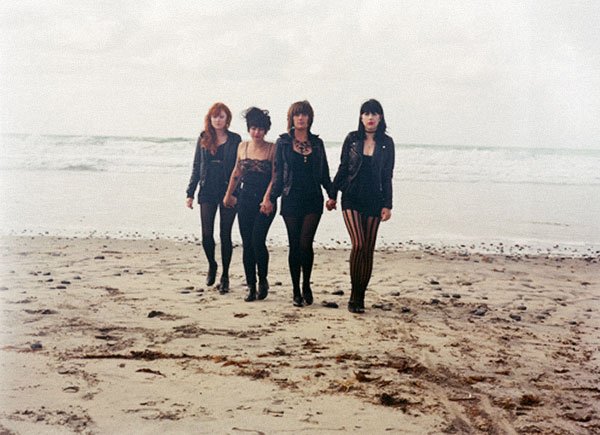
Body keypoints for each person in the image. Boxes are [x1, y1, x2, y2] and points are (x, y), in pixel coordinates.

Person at [332, 99, 395, 313]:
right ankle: (353, 295)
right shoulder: (352, 139)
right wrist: (332, 194)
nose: (370, 118)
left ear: (380, 117)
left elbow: (387, 176)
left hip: (374, 199)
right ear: (361, 117)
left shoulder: (387, 143)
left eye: (374, 114)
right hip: (351, 196)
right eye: (366, 113)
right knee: (358, 244)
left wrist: (388, 204)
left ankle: (360, 297)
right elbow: (343, 167)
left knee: (368, 250)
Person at [271, 101, 336, 307]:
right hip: (290, 198)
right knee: (294, 245)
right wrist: (270, 198)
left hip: (313, 199)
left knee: (306, 244)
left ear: (310, 118)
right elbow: (278, 174)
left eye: (304, 114)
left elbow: (324, 173)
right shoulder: (282, 143)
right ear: (291, 118)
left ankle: (306, 284)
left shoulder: (317, 143)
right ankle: (296, 290)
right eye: (297, 114)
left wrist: (332, 194)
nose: (301, 118)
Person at [186, 103, 241, 294]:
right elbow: (197, 165)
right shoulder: (204, 138)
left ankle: (225, 275)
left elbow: (239, 168)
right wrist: (190, 193)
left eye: (221, 116)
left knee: (225, 235)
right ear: (210, 119)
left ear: (227, 119)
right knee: (206, 235)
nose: (218, 120)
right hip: (207, 189)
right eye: (215, 117)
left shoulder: (235, 139)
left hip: (228, 191)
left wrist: (235, 193)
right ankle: (212, 264)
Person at [223, 107, 276, 302]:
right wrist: (228, 194)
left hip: (265, 202)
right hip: (245, 199)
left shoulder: (272, 148)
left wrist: (268, 198)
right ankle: (251, 286)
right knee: (247, 243)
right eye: (253, 128)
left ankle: (263, 280)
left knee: (257, 240)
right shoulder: (242, 147)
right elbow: (236, 172)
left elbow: (275, 176)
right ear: (249, 129)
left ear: (266, 130)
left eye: (260, 129)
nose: (257, 132)